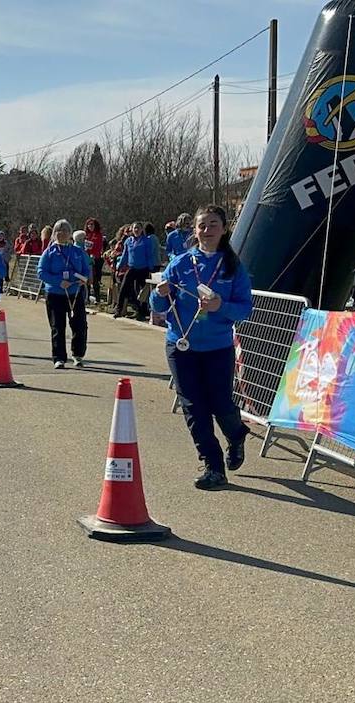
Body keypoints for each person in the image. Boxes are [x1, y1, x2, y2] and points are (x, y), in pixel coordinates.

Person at [151, 205, 253, 490]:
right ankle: (213, 465)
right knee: (193, 406)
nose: (207, 230)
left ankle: (236, 434)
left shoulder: (233, 267)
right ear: (194, 231)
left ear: (223, 229)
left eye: (213, 224)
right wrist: (159, 295)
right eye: (201, 226)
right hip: (180, 344)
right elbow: (157, 305)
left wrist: (222, 306)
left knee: (220, 403)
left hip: (218, 347)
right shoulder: (181, 263)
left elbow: (245, 310)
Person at [37, 219, 90, 368]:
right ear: (54, 234)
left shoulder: (77, 251)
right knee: (57, 326)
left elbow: (86, 269)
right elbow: (41, 272)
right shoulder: (49, 252)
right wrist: (58, 281)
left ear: (70, 233)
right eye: (59, 231)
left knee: (79, 325)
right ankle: (59, 357)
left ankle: (78, 354)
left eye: (65, 231)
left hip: (75, 292)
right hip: (55, 294)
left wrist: (83, 279)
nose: (62, 234)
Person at [114, 221, 155, 320]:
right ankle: (118, 310)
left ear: (142, 230)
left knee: (141, 291)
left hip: (143, 269)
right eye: (135, 228)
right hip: (132, 268)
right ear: (132, 230)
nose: (136, 230)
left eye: (138, 228)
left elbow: (149, 255)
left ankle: (142, 312)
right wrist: (119, 267)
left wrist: (151, 269)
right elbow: (125, 255)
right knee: (124, 288)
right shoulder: (128, 241)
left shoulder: (147, 241)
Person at [84, 218, 106, 303]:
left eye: (92, 224)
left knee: (95, 279)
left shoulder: (98, 235)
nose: (90, 226)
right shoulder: (86, 235)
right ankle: (87, 296)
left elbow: (99, 247)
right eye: (89, 224)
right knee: (87, 278)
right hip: (86, 258)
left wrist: (94, 255)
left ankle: (97, 297)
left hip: (95, 259)